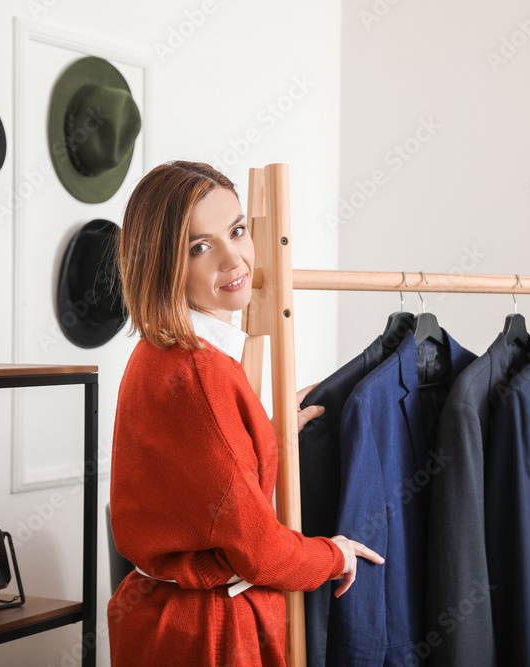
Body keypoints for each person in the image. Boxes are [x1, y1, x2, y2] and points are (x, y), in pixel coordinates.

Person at [107, 160, 383, 666]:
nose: (234, 260)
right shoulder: (204, 373)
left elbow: (195, 484)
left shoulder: (155, 353)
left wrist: (265, 436)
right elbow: (259, 551)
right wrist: (334, 554)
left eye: (236, 231)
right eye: (200, 247)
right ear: (164, 263)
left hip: (159, 621)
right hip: (211, 633)